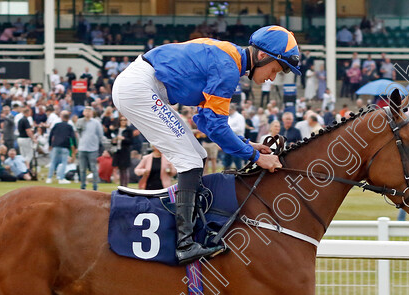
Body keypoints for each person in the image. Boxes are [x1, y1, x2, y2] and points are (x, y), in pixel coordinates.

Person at [112, 25, 289, 264]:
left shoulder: (230, 59)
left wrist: (247, 144)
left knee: (197, 153)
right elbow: (215, 126)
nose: (272, 77)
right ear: (262, 56)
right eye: (275, 69)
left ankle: (191, 227)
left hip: (143, 85)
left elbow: (206, 123)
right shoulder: (228, 67)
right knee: (190, 160)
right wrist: (257, 158)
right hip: (140, 88)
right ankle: (184, 244)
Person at [76, 107, 103, 191]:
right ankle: (83, 186)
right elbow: (78, 133)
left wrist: (97, 144)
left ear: (92, 113)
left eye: (89, 111)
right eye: (86, 111)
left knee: (93, 168)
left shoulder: (96, 122)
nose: (87, 113)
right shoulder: (80, 121)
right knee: (82, 168)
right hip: (82, 147)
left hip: (93, 148)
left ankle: (95, 186)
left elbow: (100, 135)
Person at [47, 110, 75, 184]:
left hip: (56, 145)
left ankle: (49, 178)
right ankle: (61, 178)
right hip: (65, 146)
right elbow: (73, 137)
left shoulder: (57, 125)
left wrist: (50, 144)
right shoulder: (69, 126)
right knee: (64, 163)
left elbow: (51, 135)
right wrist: (75, 146)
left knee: (53, 162)